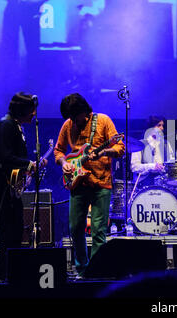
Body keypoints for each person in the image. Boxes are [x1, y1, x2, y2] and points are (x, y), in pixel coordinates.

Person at [54, 93, 124, 278]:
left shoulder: (103, 121)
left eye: (74, 117)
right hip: (77, 183)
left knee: (98, 230)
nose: (72, 121)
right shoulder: (68, 125)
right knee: (76, 227)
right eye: (69, 117)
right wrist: (64, 164)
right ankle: (82, 269)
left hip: (101, 182)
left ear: (85, 112)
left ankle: (97, 272)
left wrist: (103, 153)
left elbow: (119, 148)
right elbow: (59, 150)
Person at [0, 92, 46, 281]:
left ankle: (10, 273)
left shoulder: (16, 126)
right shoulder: (6, 126)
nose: (34, 113)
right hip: (2, 187)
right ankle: (2, 275)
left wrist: (30, 168)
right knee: (8, 230)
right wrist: (29, 164)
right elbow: (4, 157)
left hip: (12, 187)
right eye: (31, 110)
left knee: (16, 228)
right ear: (22, 110)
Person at [131, 115, 175, 188]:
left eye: (162, 126)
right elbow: (134, 167)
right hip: (143, 184)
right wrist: (152, 166)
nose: (162, 128)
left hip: (163, 185)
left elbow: (171, 164)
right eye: (159, 125)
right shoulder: (139, 144)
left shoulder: (167, 144)